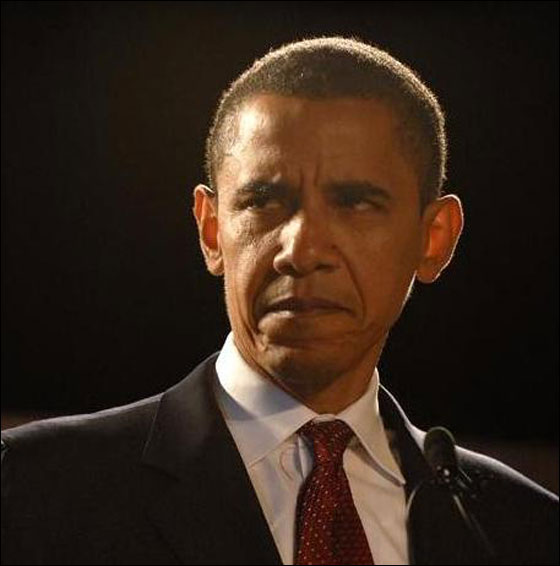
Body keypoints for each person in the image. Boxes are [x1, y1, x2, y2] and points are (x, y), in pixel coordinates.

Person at [1, 37, 557, 566]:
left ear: (434, 240)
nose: (302, 250)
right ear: (212, 231)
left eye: (355, 203)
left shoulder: (527, 530)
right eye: (264, 201)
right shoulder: (26, 491)